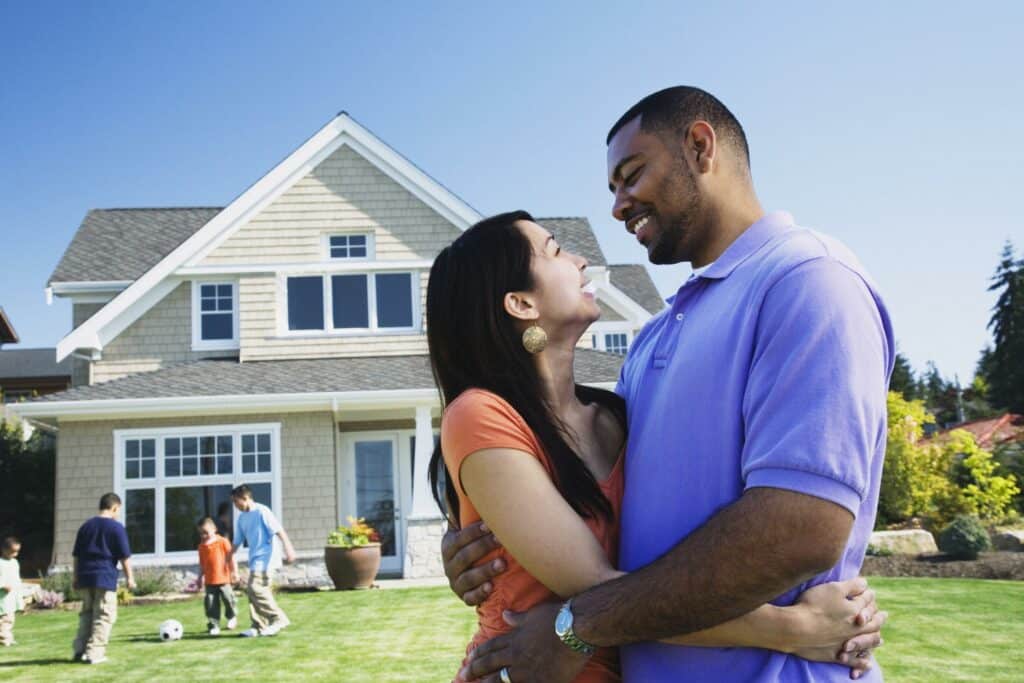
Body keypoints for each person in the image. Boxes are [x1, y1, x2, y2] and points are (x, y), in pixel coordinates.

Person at [427, 210, 888, 683]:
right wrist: (792, 627)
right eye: (556, 252)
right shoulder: (480, 415)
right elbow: (598, 591)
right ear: (521, 304)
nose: (581, 261)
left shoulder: (618, 412)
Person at [72, 492, 135, 664]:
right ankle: (95, 653)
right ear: (114, 507)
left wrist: (75, 577)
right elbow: (124, 556)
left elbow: (76, 556)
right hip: (104, 577)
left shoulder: (86, 527)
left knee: (87, 614)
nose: (118, 514)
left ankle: (80, 650)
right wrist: (130, 578)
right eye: (118, 510)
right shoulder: (116, 528)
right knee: (103, 615)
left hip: (85, 576)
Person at [230, 485, 295, 637]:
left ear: (245, 498)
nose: (235, 505)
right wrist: (227, 557)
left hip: (267, 559)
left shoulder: (262, 511)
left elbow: (279, 531)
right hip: (255, 559)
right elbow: (237, 540)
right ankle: (258, 626)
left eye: (236, 501)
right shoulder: (242, 518)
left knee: (255, 588)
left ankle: (278, 618)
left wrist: (289, 549)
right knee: (253, 592)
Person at [196, 516, 239, 635]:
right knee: (210, 604)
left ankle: (232, 617)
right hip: (210, 581)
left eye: (206, 532)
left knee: (228, 599)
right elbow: (202, 564)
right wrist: (199, 578)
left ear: (214, 529)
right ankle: (213, 625)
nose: (203, 536)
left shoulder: (222, 541)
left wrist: (235, 572)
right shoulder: (201, 547)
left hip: (224, 578)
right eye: (201, 533)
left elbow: (231, 558)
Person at [0, 536, 24, 647]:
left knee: (10, 619)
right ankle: (4, 639)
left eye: (17, 552)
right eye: (12, 552)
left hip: (11, 597)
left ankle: (8, 637)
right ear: (4, 550)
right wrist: (3, 585)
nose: (15, 554)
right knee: (5, 620)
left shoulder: (15, 563)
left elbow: (16, 579)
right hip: (2, 597)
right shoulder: (1, 563)